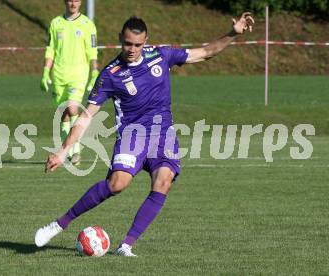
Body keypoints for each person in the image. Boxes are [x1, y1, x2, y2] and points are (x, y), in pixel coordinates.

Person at [35, 13, 255, 256]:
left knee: (163, 182)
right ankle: (59, 224)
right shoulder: (110, 74)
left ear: (146, 41)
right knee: (118, 184)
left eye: (137, 45)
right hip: (132, 135)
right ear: (121, 39)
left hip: (164, 135)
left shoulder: (161, 55)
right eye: (128, 43)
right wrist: (63, 150)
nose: (132, 49)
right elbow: (87, 116)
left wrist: (233, 33)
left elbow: (205, 52)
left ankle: (126, 245)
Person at [41, 0, 99, 165]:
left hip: (78, 74)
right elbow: (50, 49)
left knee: (73, 108)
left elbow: (92, 51)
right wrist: (45, 71)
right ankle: (67, 150)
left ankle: (75, 152)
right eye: (70, 0)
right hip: (59, 75)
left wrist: (95, 71)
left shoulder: (88, 24)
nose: (73, 3)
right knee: (64, 113)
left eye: (77, 0)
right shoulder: (56, 23)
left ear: (80, 2)